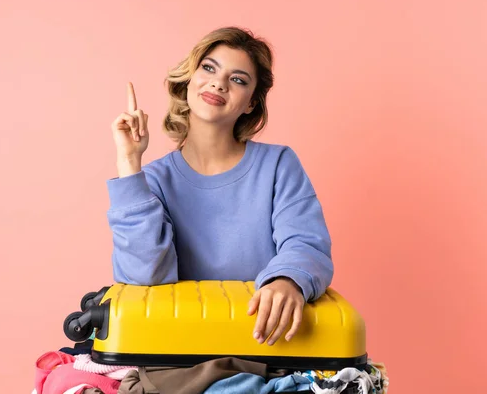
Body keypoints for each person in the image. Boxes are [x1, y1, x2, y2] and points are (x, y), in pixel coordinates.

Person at [107, 27, 333, 346]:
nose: (219, 83)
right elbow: (146, 277)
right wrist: (129, 164)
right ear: (189, 78)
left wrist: (287, 280)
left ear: (251, 103)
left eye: (238, 79)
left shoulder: (278, 164)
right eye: (209, 68)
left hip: (265, 343)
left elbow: (308, 245)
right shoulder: (153, 181)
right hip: (180, 346)